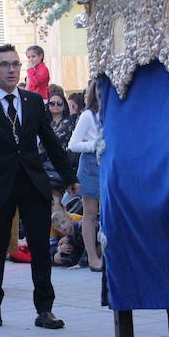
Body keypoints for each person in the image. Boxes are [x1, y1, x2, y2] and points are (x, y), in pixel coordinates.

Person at [0, 43, 79, 329]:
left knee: (40, 247)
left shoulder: (32, 102)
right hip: (0, 185)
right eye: (4, 64)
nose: (11, 69)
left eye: (15, 64)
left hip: (33, 184)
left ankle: (44, 310)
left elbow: (51, 143)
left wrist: (69, 178)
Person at [67, 79, 103, 271]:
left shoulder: (115, 111)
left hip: (110, 163)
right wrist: (94, 145)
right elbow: (73, 144)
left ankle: (109, 254)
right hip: (91, 165)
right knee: (89, 213)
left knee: (112, 212)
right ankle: (92, 257)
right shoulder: (88, 116)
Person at [43, 91, 74, 210]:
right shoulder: (45, 123)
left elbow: (53, 141)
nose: (55, 105)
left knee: (57, 199)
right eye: (52, 103)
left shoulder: (68, 122)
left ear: (64, 105)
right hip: (44, 162)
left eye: (59, 103)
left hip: (61, 163)